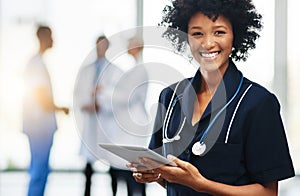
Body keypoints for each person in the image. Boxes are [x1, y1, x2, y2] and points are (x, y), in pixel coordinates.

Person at [129, 0, 295, 195]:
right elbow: (171, 177)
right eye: (197, 33)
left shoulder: (258, 103)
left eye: (219, 32)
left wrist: (200, 184)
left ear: (235, 36)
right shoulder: (170, 97)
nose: (208, 43)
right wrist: (153, 174)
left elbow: (268, 193)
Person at [23, 25, 69, 196]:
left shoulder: (37, 62)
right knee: (39, 170)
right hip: (39, 126)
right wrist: (60, 108)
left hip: (38, 124)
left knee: (39, 168)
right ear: (43, 37)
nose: (53, 40)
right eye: (51, 36)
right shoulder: (36, 63)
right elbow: (40, 96)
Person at [107, 36, 147, 196]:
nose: (127, 47)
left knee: (133, 172)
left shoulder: (139, 70)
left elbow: (125, 97)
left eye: (129, 44)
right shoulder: (135, 69)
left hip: (133, 127)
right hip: (128, 127)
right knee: (124, 168)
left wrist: (104, 92)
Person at [76, 35, 110, 196]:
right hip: (90, 119)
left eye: (103, 45)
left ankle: (114, 192)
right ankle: (86, 193)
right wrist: (86, 104)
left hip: (106, 120)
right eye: (98, 45)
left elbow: (115, 95)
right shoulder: (87, 70)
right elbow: (79, 93)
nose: (100, 49)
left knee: (112, 162)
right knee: (88, 163)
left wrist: (101, 103)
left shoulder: (113, 70)